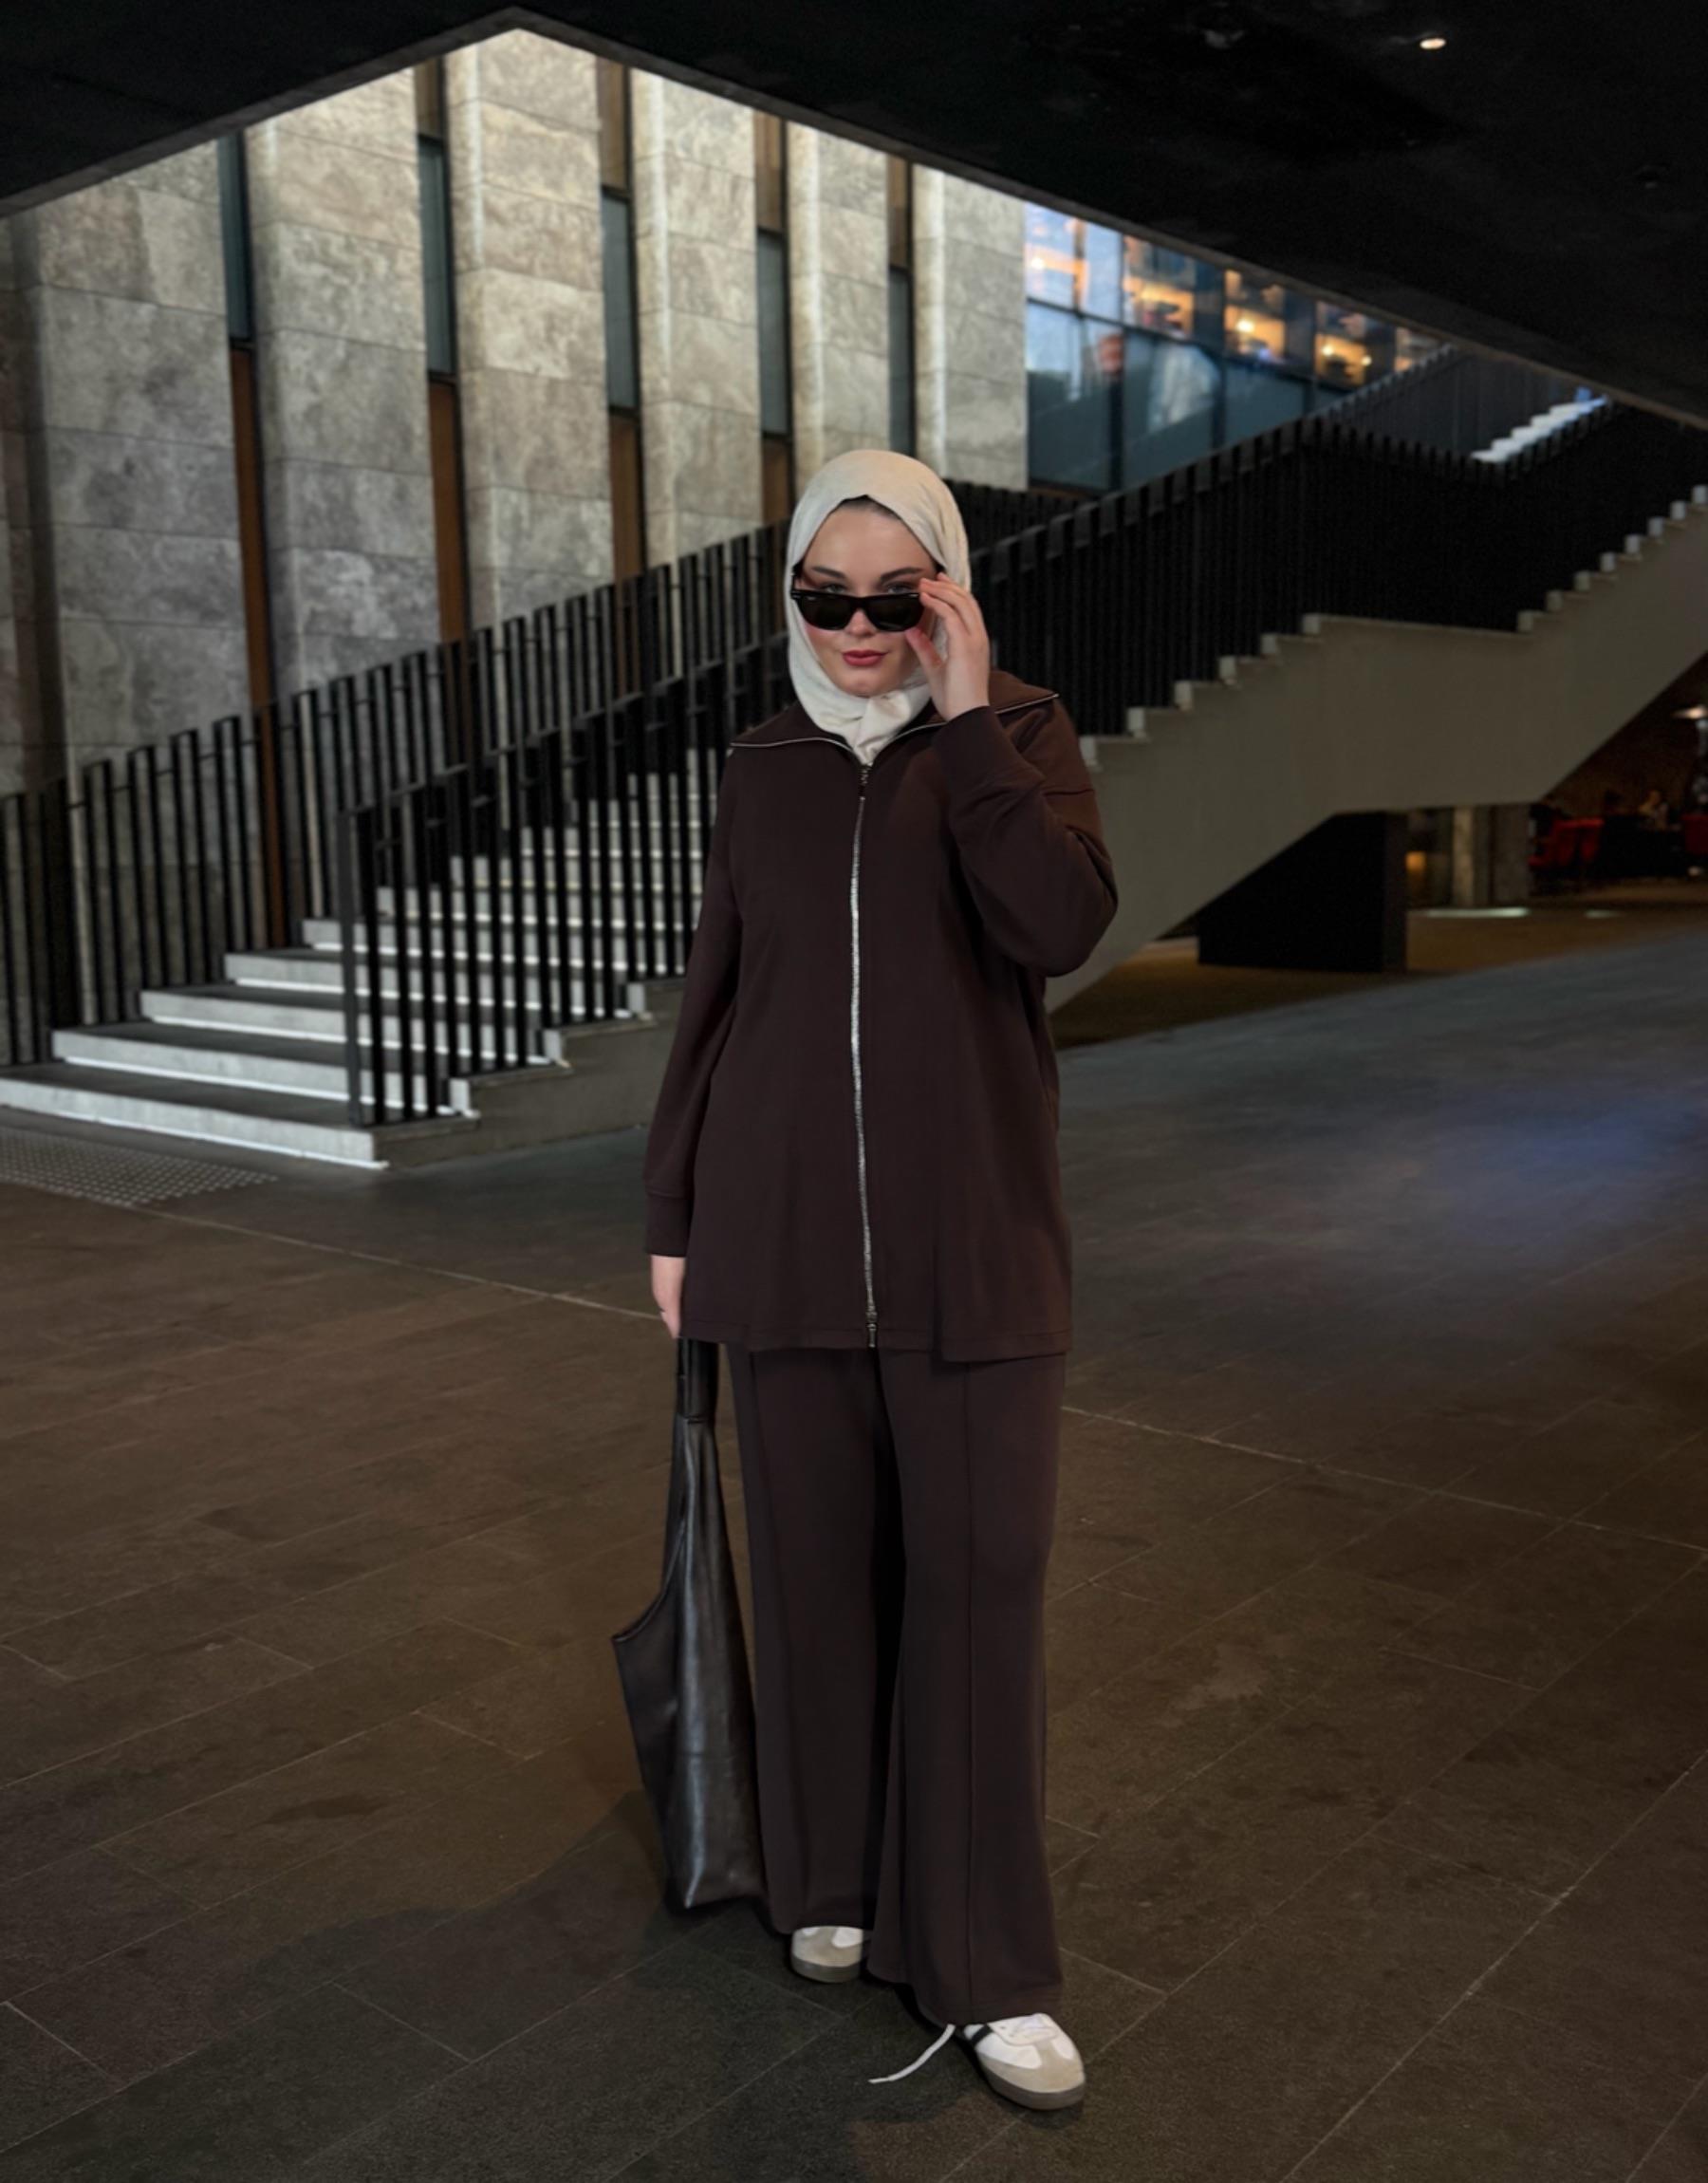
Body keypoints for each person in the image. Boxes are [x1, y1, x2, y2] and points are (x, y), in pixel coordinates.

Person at [642, 448, 1118, 2111]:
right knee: (816, 1584)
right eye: (823, 596)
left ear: (945, 588)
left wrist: (967, 721)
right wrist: (674, 1212)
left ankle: (989, 1966)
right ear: (791, 595)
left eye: (892, 595)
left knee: (981, 1594)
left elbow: (1058, 926)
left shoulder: (1022, 734)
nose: (856, 626)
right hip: (775, 1243)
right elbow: (721, 994)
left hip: (973, 1251)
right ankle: (829, 1875)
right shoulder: (761, 760)